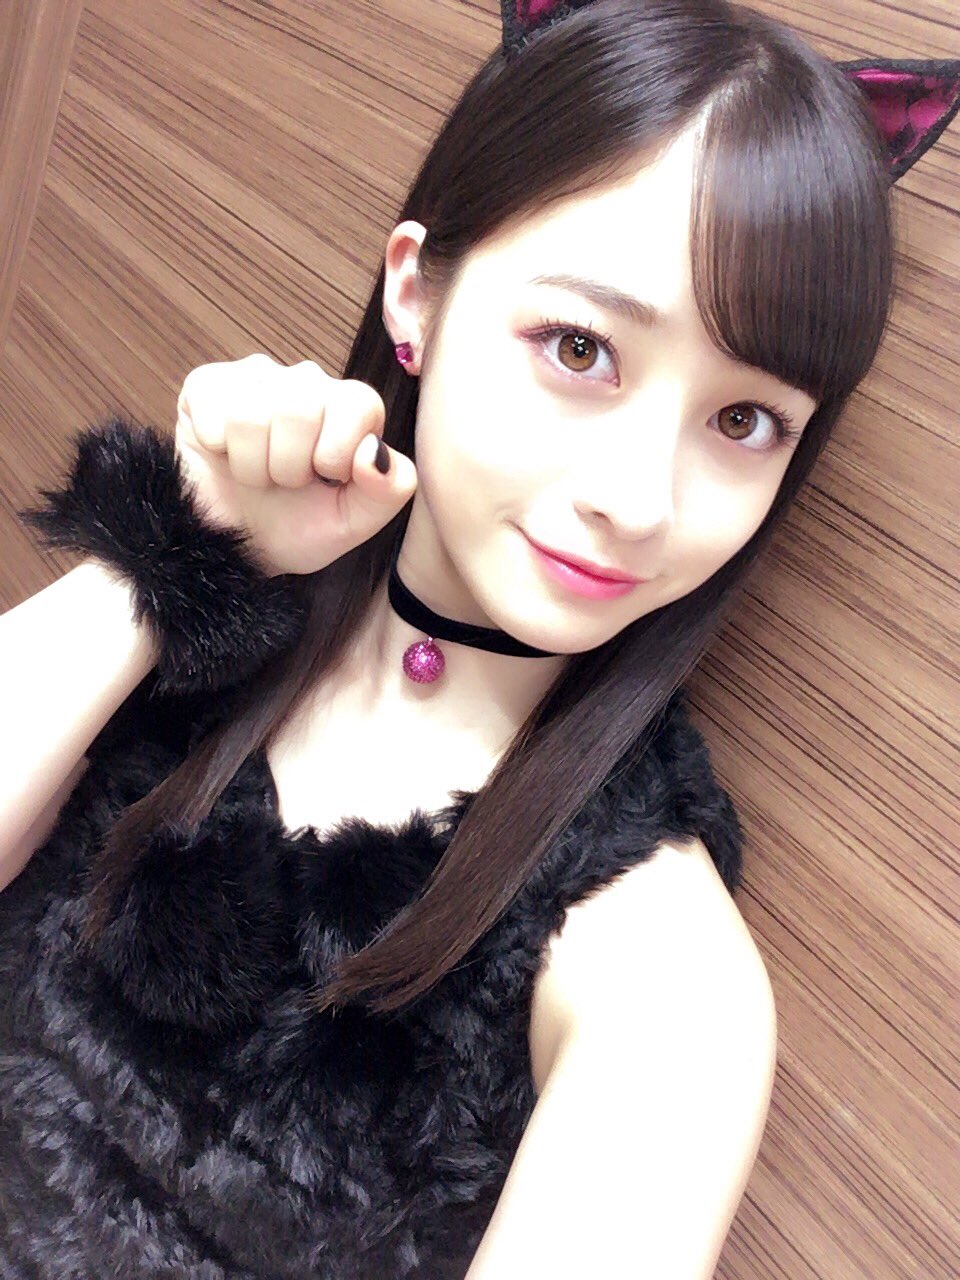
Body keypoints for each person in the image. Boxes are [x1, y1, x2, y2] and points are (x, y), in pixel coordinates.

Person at [1, 1, 957, 1276]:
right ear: (416, 292)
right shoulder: (202, 629)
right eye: (581, 347)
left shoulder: (659, 974)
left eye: (745, 421)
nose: (642, 499)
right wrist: (178, 548)